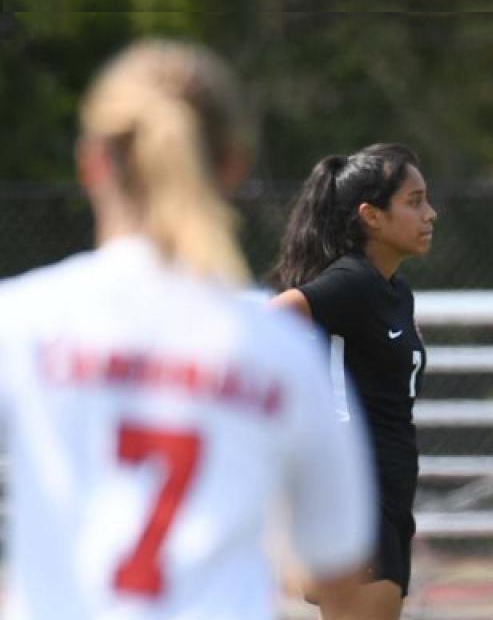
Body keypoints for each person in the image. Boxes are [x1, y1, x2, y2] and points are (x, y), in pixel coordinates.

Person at [0, 39, 376, 619]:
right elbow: (342, 579)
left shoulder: (21, 321)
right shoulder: (282, 353)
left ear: (93, 162)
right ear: (233, 166)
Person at [270, 143, 437, 620]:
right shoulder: (351, 283)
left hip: (388, 493)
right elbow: (268, 324)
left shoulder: (393, 291)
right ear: (371, 216)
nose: (430, 213)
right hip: (357, 493)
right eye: (414, 201)